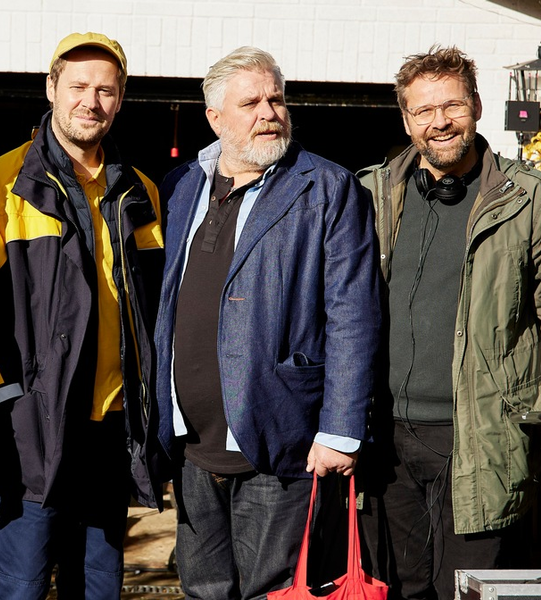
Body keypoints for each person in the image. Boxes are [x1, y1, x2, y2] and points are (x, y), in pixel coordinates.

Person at [154, 46, 381, 599]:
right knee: (202, 589)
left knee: (273, 591)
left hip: (279, 438)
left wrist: (341, 429)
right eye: (250, 102)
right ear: (214, 118)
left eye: (276, 98)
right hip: (190, 444)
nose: (268, 112)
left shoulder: (326, 187)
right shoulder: (183, 185)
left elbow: (354, 312)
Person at [0, 32, 166, 600]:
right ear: (51, 88)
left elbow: (151, 315)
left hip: (110, 430)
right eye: (77, 86)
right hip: (31, 428)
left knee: (99, 588)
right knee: (19, 587)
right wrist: (5, 402)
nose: (90, 101)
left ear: (121, 98)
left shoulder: (140, 192)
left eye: (106, 90)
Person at [358, 46, 541, 600]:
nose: (439, 121)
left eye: (452, 106)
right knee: (402, 587)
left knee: (473, 590)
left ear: (478, 106)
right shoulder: (371, 193)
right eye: (423, 111)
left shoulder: (528, 199)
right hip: (386, 442)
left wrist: (531, 414)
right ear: (406, 120)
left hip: (485, 439)